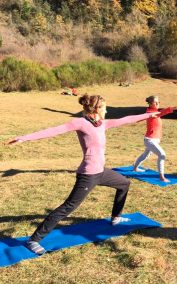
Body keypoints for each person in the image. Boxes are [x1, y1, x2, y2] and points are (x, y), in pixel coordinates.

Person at [7, 94, 159, 255]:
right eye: (105, 107)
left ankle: (116, 217)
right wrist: (24, 138)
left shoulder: (101, 124)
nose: (107, 110)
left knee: (124, 183)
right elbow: (54, 131)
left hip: (101, 171)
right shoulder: (80, 123)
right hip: (88, 175)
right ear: (97, 109)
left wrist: (149, 115)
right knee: (67, 208)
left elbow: (127, 119)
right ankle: (34, 240)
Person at [133, 96, 176, 182]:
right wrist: (169, 109)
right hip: (150, 140)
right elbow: (160, 113)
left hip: (153, 140)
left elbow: (159, 114)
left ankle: (135, 167)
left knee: (145, 155)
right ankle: (161, 177)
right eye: (155, 102)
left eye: (158, 102)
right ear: (150, 104)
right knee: (162, 154)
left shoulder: (154, 112)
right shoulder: (150, 113)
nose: (157, 104)